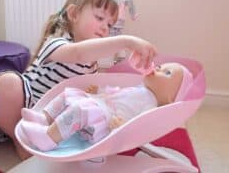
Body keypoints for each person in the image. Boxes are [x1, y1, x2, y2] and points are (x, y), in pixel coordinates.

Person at [0, 0, 157, 159]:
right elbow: (78, 54)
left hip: (52, 121)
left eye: (109, 25)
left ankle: (49, 142)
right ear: (74, 14)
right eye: (100, 18)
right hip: (23, 108)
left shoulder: (92, 64)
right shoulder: (57, 43)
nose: (104, 27)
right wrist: (126, 42)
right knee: (6, 82)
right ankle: (21, 142)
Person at [19, 62, 193, 152]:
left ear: (171, 98)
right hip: (100, 104)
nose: (158, 69)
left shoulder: (151, 105)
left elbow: (139, 126)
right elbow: (116, 94)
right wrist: (99, 91)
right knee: (69, 93)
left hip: (103, 123)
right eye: (162, 67)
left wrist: (122, 127)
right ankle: (45, 118)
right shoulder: (141, 89)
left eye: (167, 73)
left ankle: (48, 138)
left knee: (81, 110)